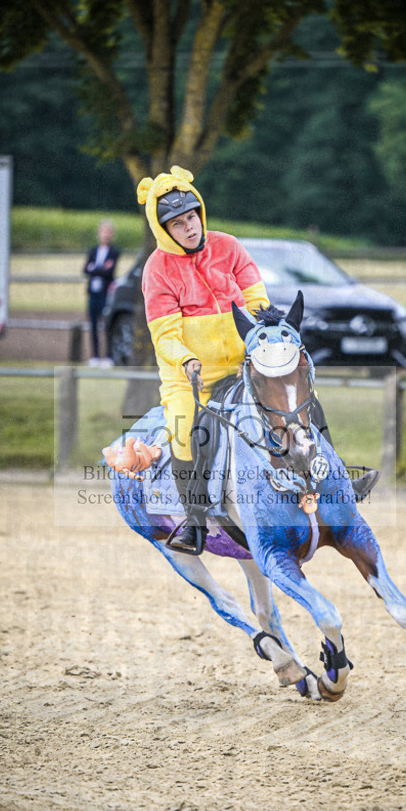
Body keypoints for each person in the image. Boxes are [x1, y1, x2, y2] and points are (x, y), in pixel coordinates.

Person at [137, 165, 270, 555]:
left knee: (292, 397)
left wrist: (264, 324)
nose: (190, 227)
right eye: (177, 223)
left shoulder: (229, 246)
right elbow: (164, 335)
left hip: (243, 366)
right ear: (164, 230)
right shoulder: (156, 270)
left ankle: (329, 483)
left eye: (192, 217)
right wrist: (187, 360)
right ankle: (195, 524)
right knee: (182, 431)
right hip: (190, 377)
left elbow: (256, 298)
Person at [82, 220, 121, 366]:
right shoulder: (93, 251)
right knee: (93, 324)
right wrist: (100, 268)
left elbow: (109, 271)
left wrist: (95, 269)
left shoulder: (114, 252)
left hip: (105, 293)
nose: (105, 234)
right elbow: (86, 270)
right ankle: (95, 356)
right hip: (93, 293)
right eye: (103, 231)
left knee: (107, 324)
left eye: (108, 232)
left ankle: (109, 356)